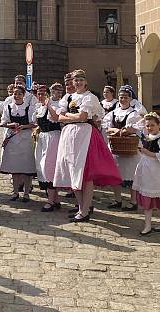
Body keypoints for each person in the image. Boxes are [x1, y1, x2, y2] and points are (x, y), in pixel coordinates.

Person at [51, 69, 121, 222]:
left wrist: (67, 116)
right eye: (76, 80)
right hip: (69, 135)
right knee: (72, 170)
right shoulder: (68, 97)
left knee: (85, 172)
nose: (78, 83)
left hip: (85, 135)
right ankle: (82, 207)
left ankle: (84, 210)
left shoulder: (90, 97)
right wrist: (70, 116)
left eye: (81, 80)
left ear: (86, 82)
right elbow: (57, 117)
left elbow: (83, 117)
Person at [102, 86, 144, 211]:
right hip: (116, 147)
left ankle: (133, 201)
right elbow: (106, 126)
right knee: (116, 175)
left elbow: (138, 127)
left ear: (130, 99)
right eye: (121, 97)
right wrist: (117, 130)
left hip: (130, 148)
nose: (123, 99)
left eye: (126, 97)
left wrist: (127, 130)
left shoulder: (134, 113)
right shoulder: (113, 113)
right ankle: (117, 199)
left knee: (132, 175)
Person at [134, 112, 160, 236]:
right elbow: (137, 126)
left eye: (152, 125)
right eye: (148, 126)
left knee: (158, 199)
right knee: (148, 200)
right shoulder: (148, 136)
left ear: (159, 125)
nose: (149, 128)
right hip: (146, 171)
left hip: (156, 172)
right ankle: (148, 225)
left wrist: (148, 153)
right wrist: (144, 117)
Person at [0, 85, 37, 202]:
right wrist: (10, 125)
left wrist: (24, 126)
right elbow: (3, 122)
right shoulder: (9, 107)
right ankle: (15, 192)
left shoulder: (29, 108)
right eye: (15, 94)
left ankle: (26, 193)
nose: (16, 96)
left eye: (19, 94)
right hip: (13, 139)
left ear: (23, 95)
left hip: (26, 139)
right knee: (14, 167)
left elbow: (34, 124)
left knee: (27, 167)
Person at [35, 83, 64, 211]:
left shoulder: (57, 105)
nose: (40, 96)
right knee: (41, 166)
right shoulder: (39, 107)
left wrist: (49, 106)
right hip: (43, 138)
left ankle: (51, 200)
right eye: (39, 93)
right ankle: (55, 199)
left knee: (49, 166)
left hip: (53, 137)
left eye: (43, 94)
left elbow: (56, 118)